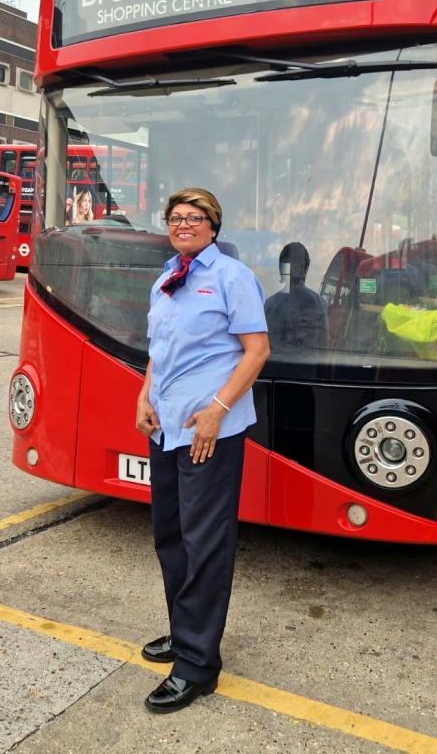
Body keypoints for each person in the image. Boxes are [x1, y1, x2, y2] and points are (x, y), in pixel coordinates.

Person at [135, 187, 269, 713]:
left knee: (205, 542)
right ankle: (184, 630)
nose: (183, 224)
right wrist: (142, 394)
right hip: (166, 427)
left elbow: (257, 351)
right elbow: (158, 350)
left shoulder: (232, 278)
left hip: (209, 431)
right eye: (175, 217)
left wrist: (216, 409)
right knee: (170, 535)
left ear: (213, 225)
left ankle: (196, 665)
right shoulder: (167, 277)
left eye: (194, 217)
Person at [264, 241, 329, 350]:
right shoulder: (320, 304)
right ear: (305, 270)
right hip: (311, 367)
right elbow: (324, 346)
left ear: (282, 270)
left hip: (275, 366)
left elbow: (262, 348)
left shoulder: (270, 306)